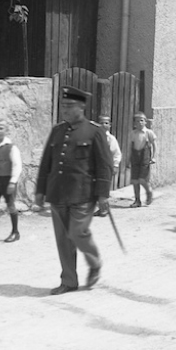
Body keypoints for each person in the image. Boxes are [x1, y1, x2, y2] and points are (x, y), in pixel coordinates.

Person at [35, 86, 112, 295]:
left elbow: (105, 164)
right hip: (58, 192)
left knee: (78, 233)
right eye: (63, 106)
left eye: (69, 106)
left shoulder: (95, 132)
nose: (65, 110)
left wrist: (103, 194)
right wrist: (40, 191)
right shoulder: (57, 131)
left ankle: (94, 262)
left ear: (81, 107)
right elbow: (46, 163)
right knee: (63, 240)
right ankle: (69, 281)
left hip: (83, 195)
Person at [93, 115, 122, 218]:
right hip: (96, 166)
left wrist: (115, 165)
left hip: (106, 166)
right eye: (101, 123)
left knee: (104, 189)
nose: (103, 125)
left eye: (106, 123)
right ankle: (101, 208)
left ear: (110, 125)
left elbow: (116, 153)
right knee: (96, 188)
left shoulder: (111, 139)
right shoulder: (94, 137)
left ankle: (104, 209)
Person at [126, 112, 157, 207]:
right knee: (135, 180)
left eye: (141, 120)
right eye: (137, 121)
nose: (139, 123)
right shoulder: (133, 133)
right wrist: (128, 160)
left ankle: (149, 192)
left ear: (145, 122)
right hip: (135, 158)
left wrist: (153, 157)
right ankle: (137, 200)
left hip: (145, 158)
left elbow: (154, 145)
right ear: (134, 123)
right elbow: (130, 147)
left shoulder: (148, 133)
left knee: (142, 179)